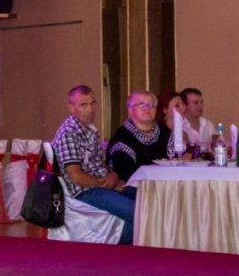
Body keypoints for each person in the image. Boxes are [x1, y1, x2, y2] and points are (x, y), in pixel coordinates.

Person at [51, 85, 138, 244]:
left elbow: (100, 165)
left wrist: (113, 177)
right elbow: (76, 177)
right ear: (71, 107)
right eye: (83, 105)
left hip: (100, 186)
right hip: (86, 192)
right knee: (139, 213)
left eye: (93, 103)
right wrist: (104, 183)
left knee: (146, 200)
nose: (90, 110)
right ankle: (113, 241)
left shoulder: (89, 130)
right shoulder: (69, 133)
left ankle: (124, 240)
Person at [107, 91, 175, 181]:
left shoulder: (165, 132)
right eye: (141, 105)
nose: (147, 108)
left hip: (166, 183)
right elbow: (123, 174)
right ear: (130, 110)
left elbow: (175, 162)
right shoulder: (122, 137)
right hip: (134, 187)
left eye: (151, 105)